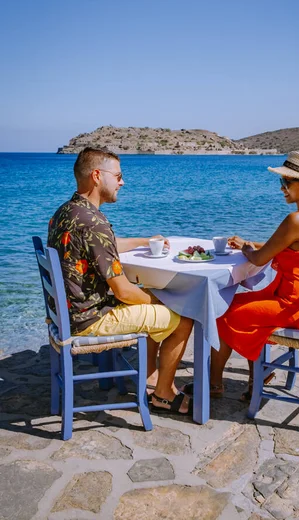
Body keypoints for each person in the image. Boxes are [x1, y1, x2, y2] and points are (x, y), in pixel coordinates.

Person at [48, 146, 193, 416]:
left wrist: (144, 241)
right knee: (183, 316)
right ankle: (162, 394)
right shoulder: (94, 222)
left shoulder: (66, 212)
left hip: (66, 314)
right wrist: (163, 301)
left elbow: (106, 245)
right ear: (96, 176)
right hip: (90, 319)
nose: (122, 182)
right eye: (118, 175)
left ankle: (151, 377)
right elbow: (124, 292)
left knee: (153, 300)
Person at [210, 151, 299, 400]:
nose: (282, 188)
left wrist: (246, 248)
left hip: (291, 306)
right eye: (281, 182)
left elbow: (259, 258)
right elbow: (284, 246)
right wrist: (250, 243)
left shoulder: (296, 219)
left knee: (221, 313)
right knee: (233, 304)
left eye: (287, 182)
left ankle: (214, 384)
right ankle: (258, 374)